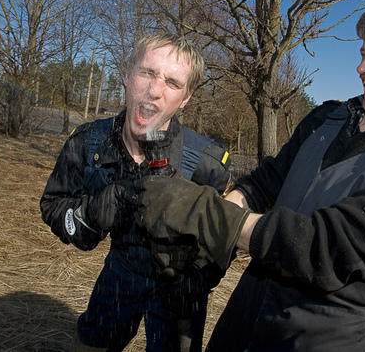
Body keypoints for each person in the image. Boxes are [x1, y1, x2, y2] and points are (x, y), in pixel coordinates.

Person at [135, 0, 365, 351]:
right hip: (245, 317)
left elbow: (327, 247)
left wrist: (204, 214)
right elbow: (265, 184)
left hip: (319, 337)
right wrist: (209, 241)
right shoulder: (326, 118)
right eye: (363, 53)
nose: (362, 67)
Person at [40, 33, 233, 352]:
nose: (155, 91)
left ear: (185, 98)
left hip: (179, 290)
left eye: (172, 83)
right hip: (120, 275)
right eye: (148, 73)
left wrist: (201, 277)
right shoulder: (87, 143)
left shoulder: (208, 162)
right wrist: (90, 213)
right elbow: (53, 205)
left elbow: (224, 236)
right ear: (128, 75)